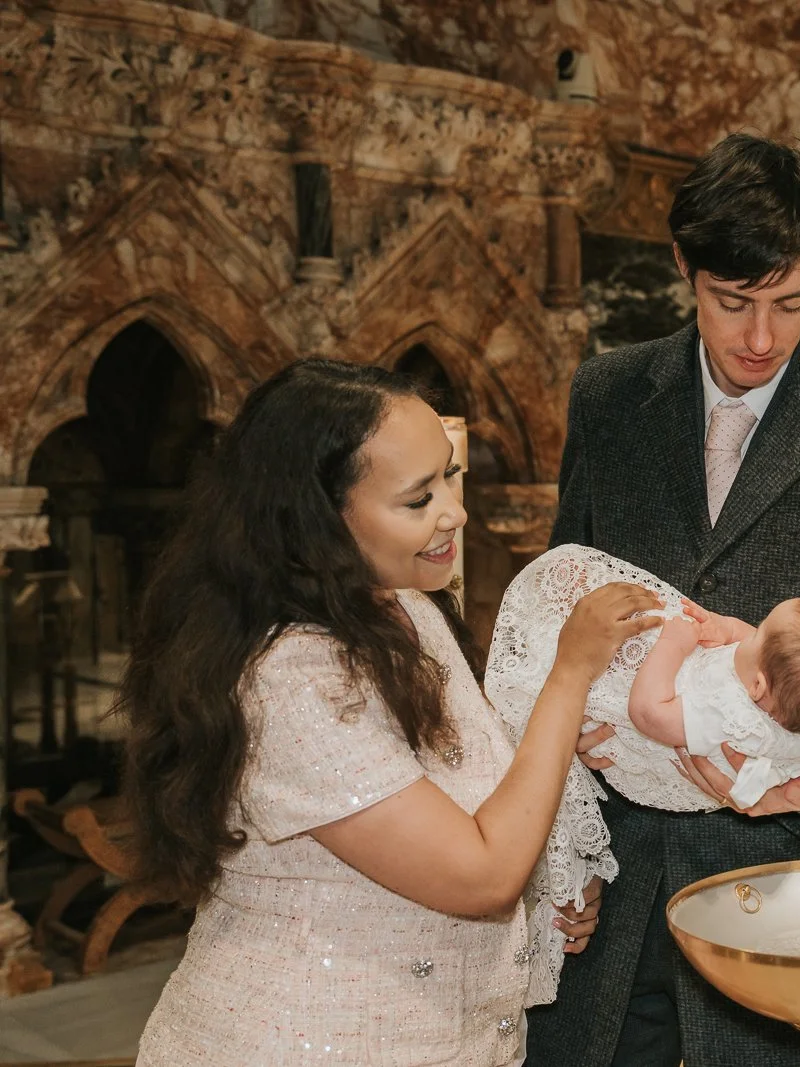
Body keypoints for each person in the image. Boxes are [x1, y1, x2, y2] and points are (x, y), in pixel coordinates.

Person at [524, 132, 800, 1067]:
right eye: (733, 301)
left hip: (776, 885)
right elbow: (563, 607)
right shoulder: (607, 395)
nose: (760, 337)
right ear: (684, 268)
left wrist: (789, 797)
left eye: (790, 303)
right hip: (611, 869)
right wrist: (559, 842)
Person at [123, 360, 661, 1066]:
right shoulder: (291, 677)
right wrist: (570, 673)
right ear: (319, 516)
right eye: (418, 499)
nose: (454, 512)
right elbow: (479, 873)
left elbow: (471, 791)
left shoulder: (403, 606)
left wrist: (553, 886)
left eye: (450, 475)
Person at [489, 544, 800, 815]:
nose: (748, 630)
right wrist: (724, 630)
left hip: (659, 716)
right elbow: (760, 645)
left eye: (758, 632)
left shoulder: (723, 715)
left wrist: (671, 645)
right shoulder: (786, 699)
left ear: (757, 688)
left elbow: (648, 712)